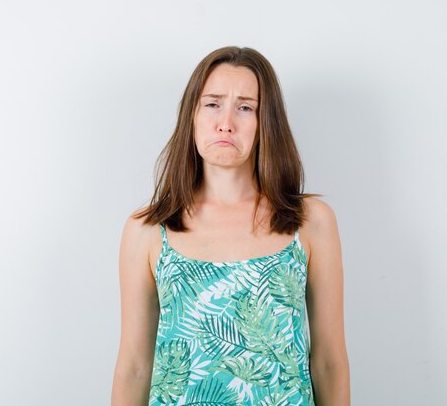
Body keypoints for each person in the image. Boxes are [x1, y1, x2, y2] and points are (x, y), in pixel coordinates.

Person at [111, 46, 350, 406]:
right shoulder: (146, 230)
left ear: (265, 121)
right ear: (191, 115)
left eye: (245, 107)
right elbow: (134, 367)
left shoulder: (310, 222)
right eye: (212, 103)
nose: (226, 122)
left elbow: (329, 363)